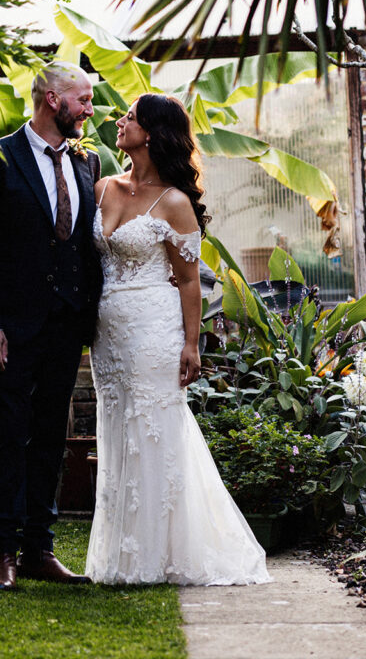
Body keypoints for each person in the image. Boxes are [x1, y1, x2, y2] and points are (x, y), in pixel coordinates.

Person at [86, 93, 270, 585]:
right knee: (118, 429)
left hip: (154, 328)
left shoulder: (175, 202)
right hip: (107, 335)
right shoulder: (101, 187)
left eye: (130, 117)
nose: (120, 122)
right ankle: (119, 555)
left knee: (154, 429)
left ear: (152, 132)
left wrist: (192, 344)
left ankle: (162, 555)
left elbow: (190, 281)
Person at [0, 61, 103, 591]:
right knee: (9, 435)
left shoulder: (85, 163)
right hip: (13, 327)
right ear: (51, 99)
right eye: (82, 99)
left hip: (67, 325)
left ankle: (40, 548)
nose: (89, 109)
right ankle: (3, 553)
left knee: (51, 436)